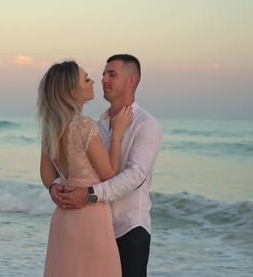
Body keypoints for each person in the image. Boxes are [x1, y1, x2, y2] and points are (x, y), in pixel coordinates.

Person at [50, 54, 163, 277]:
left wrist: (90, 194)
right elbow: (73, 167)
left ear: (132, 80)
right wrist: (55, 186)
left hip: (129, 228)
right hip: (95, 226)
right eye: (103, 74)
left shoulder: (147, 125)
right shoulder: (95, 126)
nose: (103, 80)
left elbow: (135, 176)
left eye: (112, 74)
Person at [38, 60, 133, 277]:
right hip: (89, 215)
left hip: (63, 215)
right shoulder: (84, 125)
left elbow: (46, 175)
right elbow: (108, 174)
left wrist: (54, 188)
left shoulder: (51, 127)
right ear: (72, 91)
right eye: (86, 79)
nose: (93, 82)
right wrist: (117, 133)